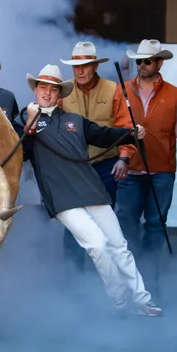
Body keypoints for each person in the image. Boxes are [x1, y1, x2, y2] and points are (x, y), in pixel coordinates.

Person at [20, 64, 161, 317]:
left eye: (53, 89)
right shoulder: (24, 123)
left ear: (59, 94)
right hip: (62, 198)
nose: (48, 93)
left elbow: (104, 135)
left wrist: (130, 133)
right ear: (35, 90)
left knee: (119, 245)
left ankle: (142, 300)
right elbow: (19, 155)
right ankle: (119, 300)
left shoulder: (74, 120)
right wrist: (31, 122)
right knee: (97, 245)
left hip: (91, 189)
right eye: (43, 87)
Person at [115, 39, 177, 297]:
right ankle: (131, 277)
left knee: (155, 224)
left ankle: (150, 279)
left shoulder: (174, 95)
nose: (142, 65)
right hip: (131, 171)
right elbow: (114, 130)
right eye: (139, 60)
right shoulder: (123, 90)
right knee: (125, 223)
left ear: (159, 62)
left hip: (161, 171)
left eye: (147, 60)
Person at [58, 42, 136, 274]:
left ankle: (101, 278)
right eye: (75, 66)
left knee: (104, 225)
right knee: (73, 225)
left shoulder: (113, 89)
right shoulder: (63, 91)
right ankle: (74, 279)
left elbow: (126, 126)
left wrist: (124, 158)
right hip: (74, 168)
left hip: (106, 166)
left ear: (94, 66)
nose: (79, 71)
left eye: (85, 66)